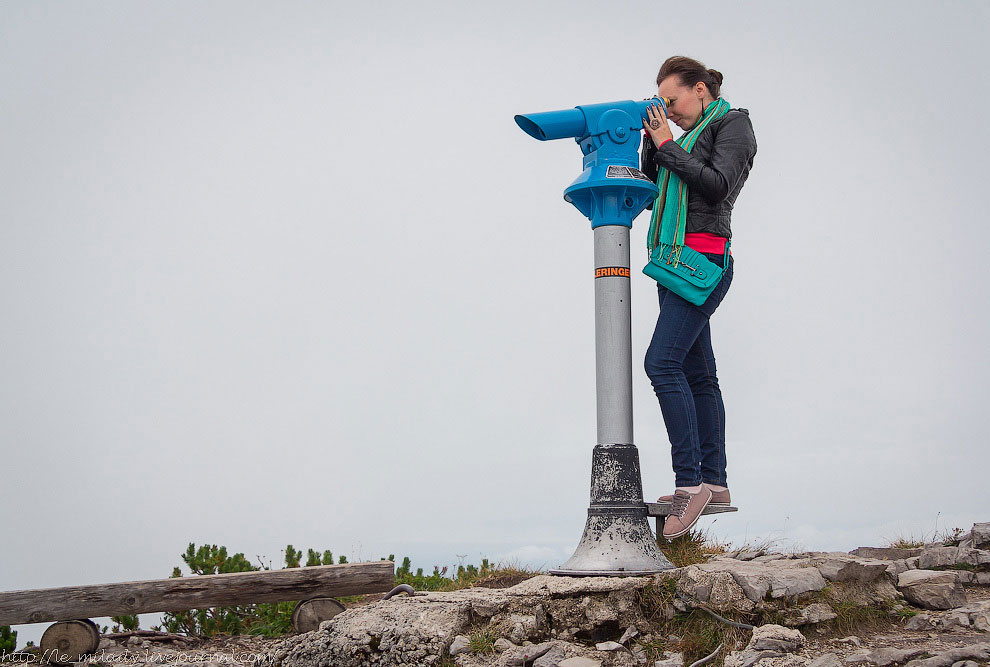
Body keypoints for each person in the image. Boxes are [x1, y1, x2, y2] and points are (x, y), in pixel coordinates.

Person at [639, 56, 758, 539]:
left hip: (704, 261)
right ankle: (716, 483)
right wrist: (652, 143)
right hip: (673, 262)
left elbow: (716, 185)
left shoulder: (734, 125)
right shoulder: (677, 140)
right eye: (661, 104)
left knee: (661, 363)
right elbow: (652, 187)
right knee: (697, 373)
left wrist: (667, 143)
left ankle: (689, 484)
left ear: (701, 89)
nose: (669, 110)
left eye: (672, 100)